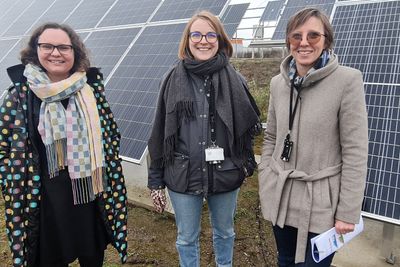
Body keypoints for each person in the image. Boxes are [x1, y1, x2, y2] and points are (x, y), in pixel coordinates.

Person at [0, 23, 128, 267]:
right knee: (50, 258)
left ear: (75, 52)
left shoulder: (91, 91)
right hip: (44, 199)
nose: (56, 53)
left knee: (92, 256)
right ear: (35, 50)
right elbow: (3, 144)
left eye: (63, 47)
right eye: (47, 46)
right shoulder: (19, 95)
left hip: (88, 194)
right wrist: (12, 180)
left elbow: (111, 133)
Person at [147, 10, 261, 267]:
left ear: (220, 40)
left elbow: (245, 130)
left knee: (226, 233)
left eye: (211, 34)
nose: (203, 40)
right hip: (183, 176)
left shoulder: (236, 80)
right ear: (187, 40)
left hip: (226, 173)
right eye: (196, 34)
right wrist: (155, 181)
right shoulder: (171, 79)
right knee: (187, 238)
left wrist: (242, 164)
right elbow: (159, 133)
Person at [258, 7, 369, 267]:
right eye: (296, 36)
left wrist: (347, 211)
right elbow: (271, 137)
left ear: (326, 40)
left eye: (313, 36)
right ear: (288, 41)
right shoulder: (278, 83)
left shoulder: (347, 81)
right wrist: (267, 177)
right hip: (282, 196)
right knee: (284, 260)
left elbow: (355, 151)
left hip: (322, 205)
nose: (304, 42)